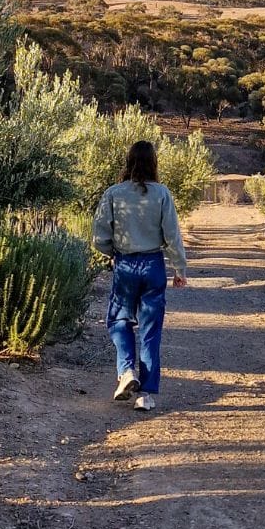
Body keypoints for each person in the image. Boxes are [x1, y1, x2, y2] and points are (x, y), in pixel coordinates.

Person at [92, 140, 188, 411]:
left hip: (125, 264)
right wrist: (179, 268)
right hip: (153, 265)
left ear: (128, 162)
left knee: (118, 320)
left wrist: (112, 252)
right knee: (150, 329)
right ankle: (145, 395)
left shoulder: (114, 193)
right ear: (153, 163)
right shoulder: (162, 194)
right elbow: (172, 234)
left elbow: (99, 236)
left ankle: (126, 371)